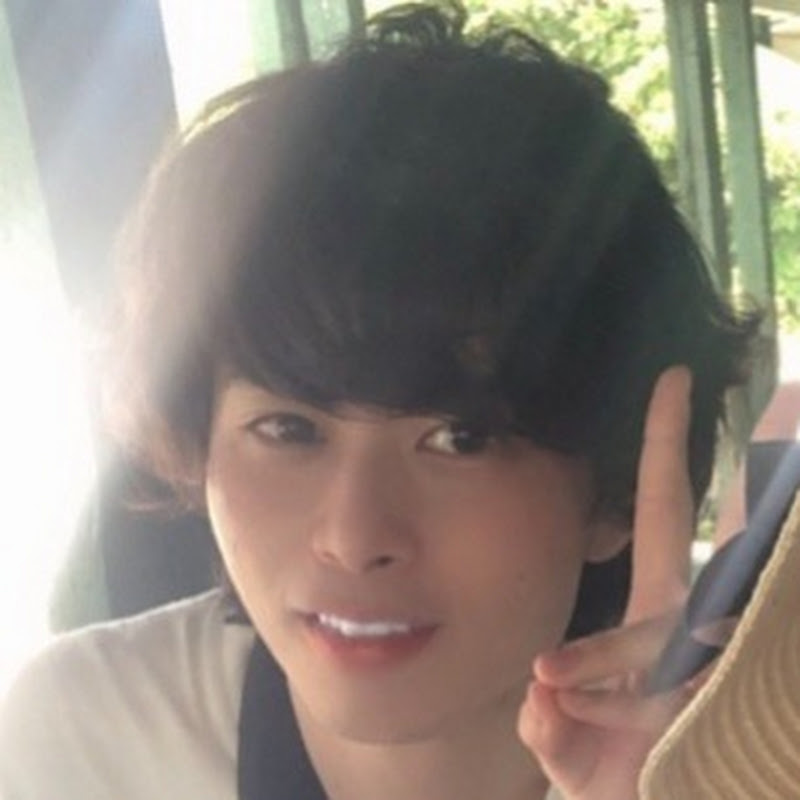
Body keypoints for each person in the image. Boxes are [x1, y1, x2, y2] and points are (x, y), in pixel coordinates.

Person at [0, 3, 757, 799]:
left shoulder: (749, 757)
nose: (354, 538)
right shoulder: (82, 744)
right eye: (287, 428)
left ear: (615, 490)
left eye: (460, 438)